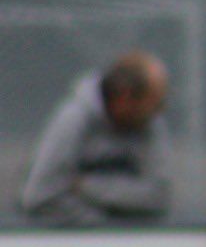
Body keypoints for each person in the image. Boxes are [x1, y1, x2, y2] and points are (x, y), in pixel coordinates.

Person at [19, 51, 171, 225]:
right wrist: (100, 227)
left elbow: (158, 195)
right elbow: (40, 195)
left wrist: (85, 186)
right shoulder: (74, 120)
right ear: (124, 98)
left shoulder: (150, 123)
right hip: (71, 241)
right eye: (156, 104)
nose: (160, 112)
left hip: (131, 241)